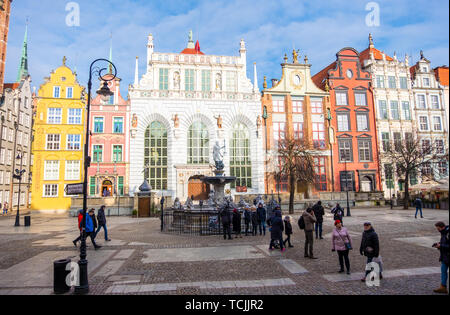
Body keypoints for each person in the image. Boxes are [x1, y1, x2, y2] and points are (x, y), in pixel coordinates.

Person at [433, 221, 449, 294]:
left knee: (443, 271)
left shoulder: (447, 234)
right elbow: (445, 243)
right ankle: (443, 287)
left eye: (438, 229)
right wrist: (438, 244)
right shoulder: (443, 233)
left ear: (442, 227)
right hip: (445, 257)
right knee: (443, 272)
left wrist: (441, 246)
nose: (438, 230)